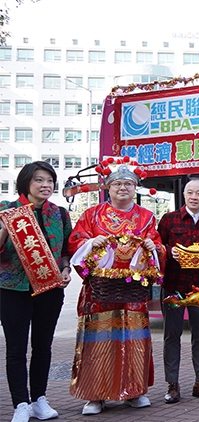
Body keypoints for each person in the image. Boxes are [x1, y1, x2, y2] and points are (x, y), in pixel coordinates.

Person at [68, 159, 166, 416]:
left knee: (134, 341)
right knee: (98, 341)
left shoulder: (146, 217)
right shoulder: (92, 215)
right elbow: (75, 242)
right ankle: (95, 395)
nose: (123, 188)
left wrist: (153, 248)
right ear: (108, 188)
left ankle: (135, 391)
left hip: (132, 293)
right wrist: (91, 241)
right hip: (100, 293)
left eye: (128, 184)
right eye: (117, 184)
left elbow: (158, 247)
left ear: (136, 189)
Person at [1, 162, 72, 422]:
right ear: (26, 183)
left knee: (43, 346)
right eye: (39, 180)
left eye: (50, 181)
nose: (46, 185)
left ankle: (39, 399)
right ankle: (21, 403)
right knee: (16, 348)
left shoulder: (60, 214)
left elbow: (66, 250)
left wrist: (66, 270)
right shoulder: (6, 210)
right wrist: (8, 227)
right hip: (12, 289)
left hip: (50, 289)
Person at [157, 178, 199, 403]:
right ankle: (172, 384)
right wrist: (168, 251)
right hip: (174, 285)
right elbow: (156, 248)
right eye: (190, 193)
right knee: (171, 335)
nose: (194, 197)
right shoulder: (168, 220)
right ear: (184, 195)